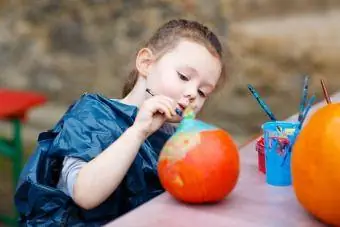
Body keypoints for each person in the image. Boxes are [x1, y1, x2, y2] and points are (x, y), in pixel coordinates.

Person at [14, 18, 228, 226]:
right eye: (183, 77)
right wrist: (138, 132)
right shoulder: (92, 113)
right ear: (146, 63)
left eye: (202, 92)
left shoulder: (176, 137)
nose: (192, 94)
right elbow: (85, 195)